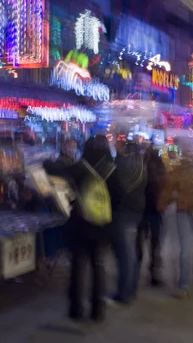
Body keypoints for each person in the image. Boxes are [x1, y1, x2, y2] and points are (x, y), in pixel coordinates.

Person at [43, 135, 123, 322]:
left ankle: (76, 309)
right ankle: (98, 310)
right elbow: (120, 197)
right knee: (98, 267)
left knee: (78, 267)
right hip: (102, 226)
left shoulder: (80, 167)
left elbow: (57, 170)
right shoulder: (111, 170)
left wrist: (45, 162)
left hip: (79, 226)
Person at [159, 143, 193, 298]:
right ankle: (188, 280)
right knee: (192, 246)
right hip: (189, 210)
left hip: (189, 211)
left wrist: (162, 204)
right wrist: (162, 203)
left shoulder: (185, 170)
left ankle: (186, 282)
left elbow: (168, 189)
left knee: (191, 246)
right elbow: (168, 189)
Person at [111, 140, 147, 304]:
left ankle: (124, 293)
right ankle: (131, 289)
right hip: (137, 211)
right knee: (130, 252)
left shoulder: (123, 164)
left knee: (126, 254)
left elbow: (117, 188)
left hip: (124, 211)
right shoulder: (141, 164)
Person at [136, 144, 167, 288]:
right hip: (155, 210)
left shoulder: (140, 167)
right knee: (155, 244)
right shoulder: (160, 168)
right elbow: (164, 188)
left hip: (142, 209)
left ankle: (135, 272)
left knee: (139, 243)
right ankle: (154, 274)